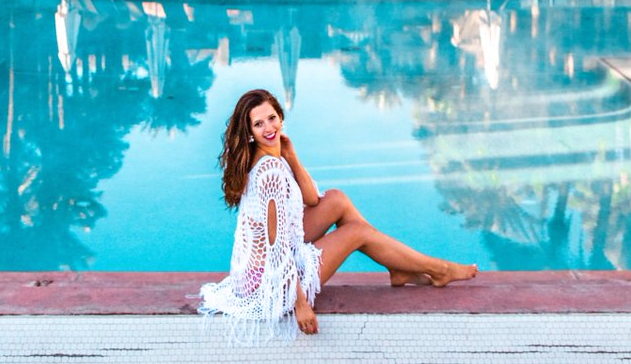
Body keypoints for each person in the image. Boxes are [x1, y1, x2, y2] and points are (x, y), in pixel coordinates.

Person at [198, 88, 477, 341]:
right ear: (249, 132)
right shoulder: (269, 172)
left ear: (281, 117)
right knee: (357, 233)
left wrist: (291, 156)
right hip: (270, 284)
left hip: (258, 268)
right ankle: (437, 269)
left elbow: (311, 199)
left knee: (336, 199)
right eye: (258, 124)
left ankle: (399, 267)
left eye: (271, 118)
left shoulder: (274, 156)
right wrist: (300, 304)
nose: (268, 128)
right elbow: (276, 248)